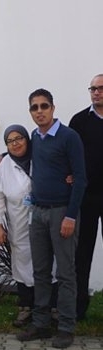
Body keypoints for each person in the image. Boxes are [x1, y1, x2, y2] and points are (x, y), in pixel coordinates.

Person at [16, 89, 86, 349]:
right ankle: (41, 323)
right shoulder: (36, 137)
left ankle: (66, 327)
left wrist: (70, 215)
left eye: (44, 106)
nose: (39, 111)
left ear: (53, 108)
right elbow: (24, 156)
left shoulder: (69, 137)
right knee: (41, 272)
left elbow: (80, 178)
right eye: (34, 107)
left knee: (66, 273)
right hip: (38, 212)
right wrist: (2, 158)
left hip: (62, 213)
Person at [0, 124, 58, 327]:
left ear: (28, 139)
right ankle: (26, 306)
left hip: (44, 219)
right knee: (22, 264)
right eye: (10, 140)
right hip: (19, 224)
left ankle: (51, 308)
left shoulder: (41, 156)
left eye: (19, 138)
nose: (15, 143)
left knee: (48, 263)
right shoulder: (5, 166)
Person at [70, 74, 103, 321]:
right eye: (92, 88)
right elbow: (66, 153)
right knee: (82, 254)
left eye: (100, 88)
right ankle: (78, 307)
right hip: (87, 197)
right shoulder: (80, 121)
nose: (96, 93)